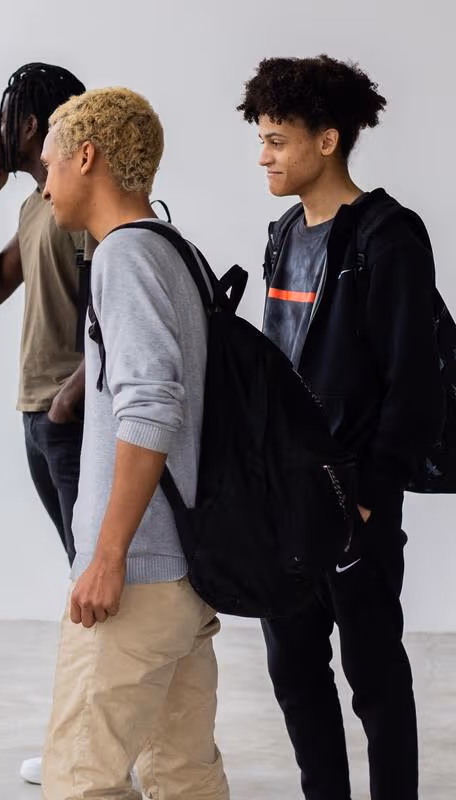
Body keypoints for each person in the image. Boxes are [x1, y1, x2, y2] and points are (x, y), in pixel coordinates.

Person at [238, 55, 443, 800]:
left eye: (277, 140)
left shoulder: (388, 236)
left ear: (327, 141)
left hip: (354, 499)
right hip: (284, 502)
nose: (263, 155)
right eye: (259, 139)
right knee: (294, 674)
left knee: (375, 678)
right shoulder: (284, 233)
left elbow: (412, 381)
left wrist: (369, 493)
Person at [38, 87, 229, 799]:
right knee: (184, 774)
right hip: (183, 572)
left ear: (87, 158)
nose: (47, 184)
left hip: (138, 579)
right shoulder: (177, 253)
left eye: (51, 164)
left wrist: (108, 556)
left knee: (81, 779)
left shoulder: (123, 258)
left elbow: (151, 408)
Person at [0, 61, 89, 786]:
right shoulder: (35, 205)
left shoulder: (82, 204)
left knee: (97, 588)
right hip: (36, 415)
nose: (1, 127)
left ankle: (91, 745)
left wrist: (74, 394)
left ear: (37, 123)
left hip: (70, 419)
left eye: (10, 114)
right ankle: (88, 740)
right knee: (85, 580)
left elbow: (122, 311)